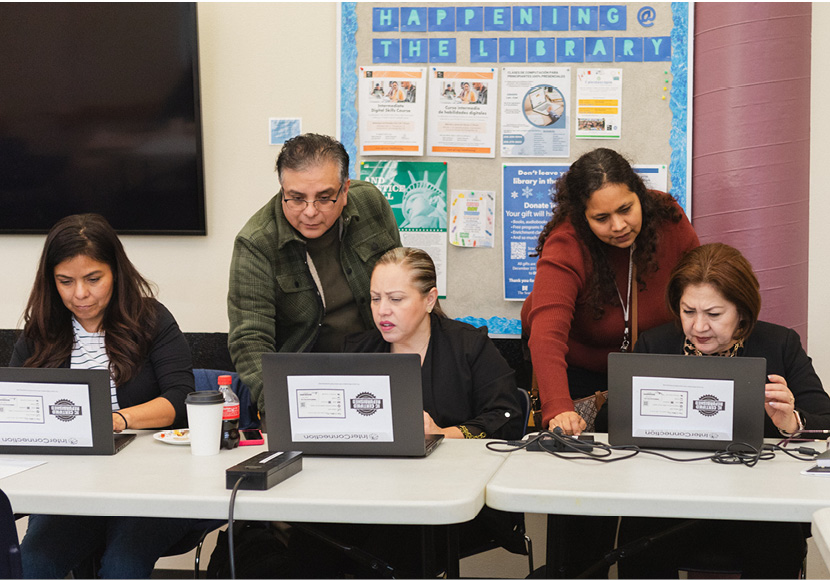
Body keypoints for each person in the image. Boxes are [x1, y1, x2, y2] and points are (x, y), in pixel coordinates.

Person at [286, 247, 524, 577]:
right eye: (375, 299)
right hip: (369, 494)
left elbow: (507, 415)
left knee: (389, 546)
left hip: (451, 499)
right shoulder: (359, 351)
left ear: (429, 300)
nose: (383, 311)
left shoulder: (468, 345)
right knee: (305, 541)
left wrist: (443, 435)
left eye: (396, 299)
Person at [617, 243, 830, 579]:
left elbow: (825, 422)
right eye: (688, 311)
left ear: (742, 311)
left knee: (777, 545)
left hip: (759, 506)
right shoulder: (655, 346)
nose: (698, 327)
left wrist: (792, 422)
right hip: (668, 501)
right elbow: (618, 423)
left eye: (714, 315)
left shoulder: (779, 344)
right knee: (638, 539)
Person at [11, 213, 197, 579]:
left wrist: (115, 420)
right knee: (29, 565)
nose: (80, 294)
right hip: (71, 488)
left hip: (151, 483)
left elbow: (181, 399)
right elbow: (17, 403)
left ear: (116, 272)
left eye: (93, 279)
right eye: (66, 281)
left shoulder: (152, 320)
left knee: (122, 566)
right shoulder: (41, 331)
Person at [522, 148, 699, 435]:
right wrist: (559, 409)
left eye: (626, 209)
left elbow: (703, 286)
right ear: (582, 217)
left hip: (655, 370)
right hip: (580, 374)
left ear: (639, 196)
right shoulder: (566, 243)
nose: (618, 226)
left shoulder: (667, 217)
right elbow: (546, 335)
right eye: (602, 218)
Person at [228, 133, 400, 419]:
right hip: (302, 386)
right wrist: (279, 405)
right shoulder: (256, 243)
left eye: (324, 198)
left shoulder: (371, 204)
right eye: (296, 198)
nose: (310, 212)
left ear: (344, 190)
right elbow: (249, 340)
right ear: (283, 188)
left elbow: (400, 285)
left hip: (379, 370)